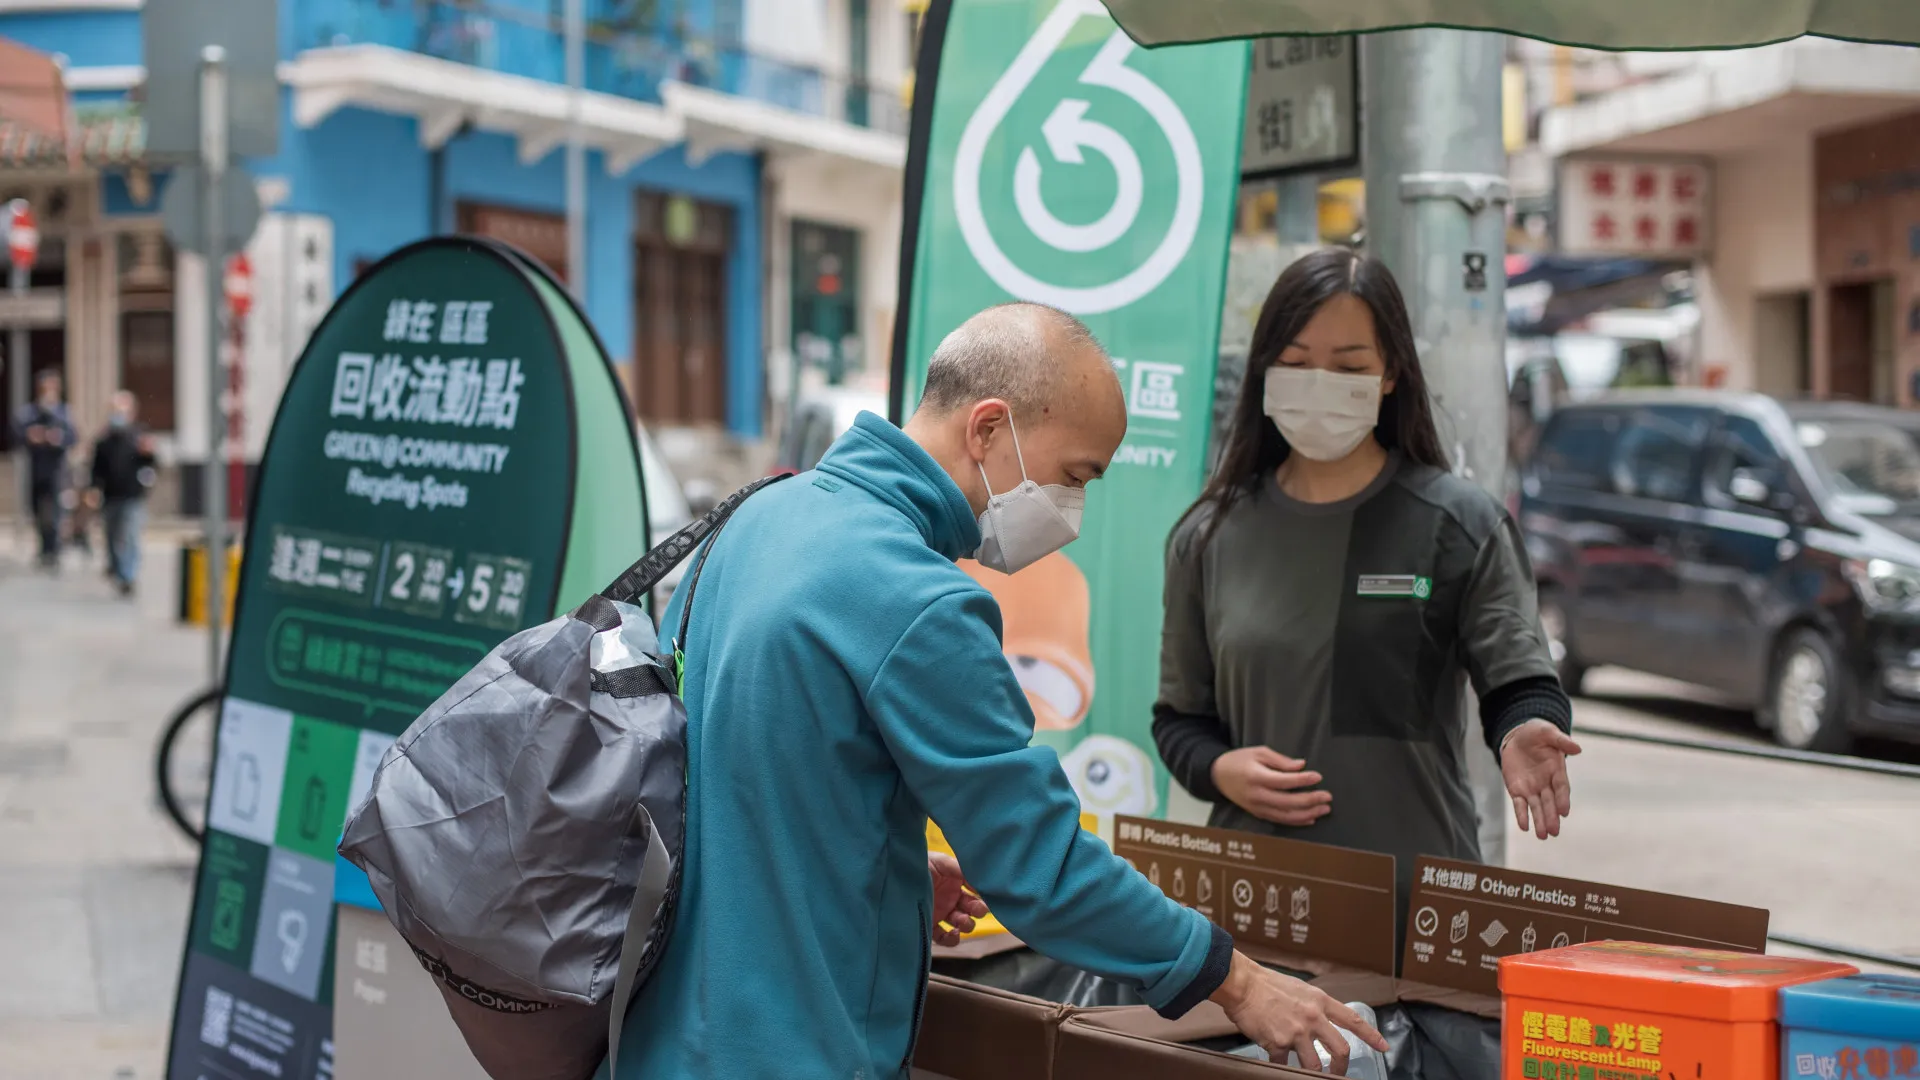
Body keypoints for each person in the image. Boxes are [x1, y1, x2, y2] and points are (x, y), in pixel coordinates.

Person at [620, 303, 1386, 1077]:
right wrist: (1238, 980)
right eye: (1074, 475)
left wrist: (876, 860)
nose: (1072, 514)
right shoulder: (918, 599)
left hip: (659, 1039)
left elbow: (718, 773)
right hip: (795, 1050)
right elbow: (1040, 866)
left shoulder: (750, 521)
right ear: (988, 429)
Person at [1153, 249, 1583, 943]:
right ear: (1263, 370)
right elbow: (1180, 720)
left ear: (1391, 376)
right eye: (1295, 361)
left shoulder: (1459, 524)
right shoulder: (1208, 537)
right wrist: (1218, 768)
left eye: (1350, 367)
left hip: (1416, 907)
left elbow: (1518, 679)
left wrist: (1524, 727)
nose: (1320, 383)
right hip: (1255, 911)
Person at [89, 391, 157, 595]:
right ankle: (116, 568)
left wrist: (149, 454)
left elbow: (152, 464)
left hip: (132, 496)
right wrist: (93, 489)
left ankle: (127, 576)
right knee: (111, 537)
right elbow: (96, 469)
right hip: (110, 496)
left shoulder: (139, 438)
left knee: (130, 536)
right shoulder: (103, 440)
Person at [11, 369, 76, 571]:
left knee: (55, 512)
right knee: (38, 511)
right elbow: (15, 436)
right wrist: (31, 436)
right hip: (36, 470)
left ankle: (54, 551)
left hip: (56, 471)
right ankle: (43, 548)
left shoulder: (64, 412)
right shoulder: (29, 413)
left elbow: (73, 437)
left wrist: (57, 438)